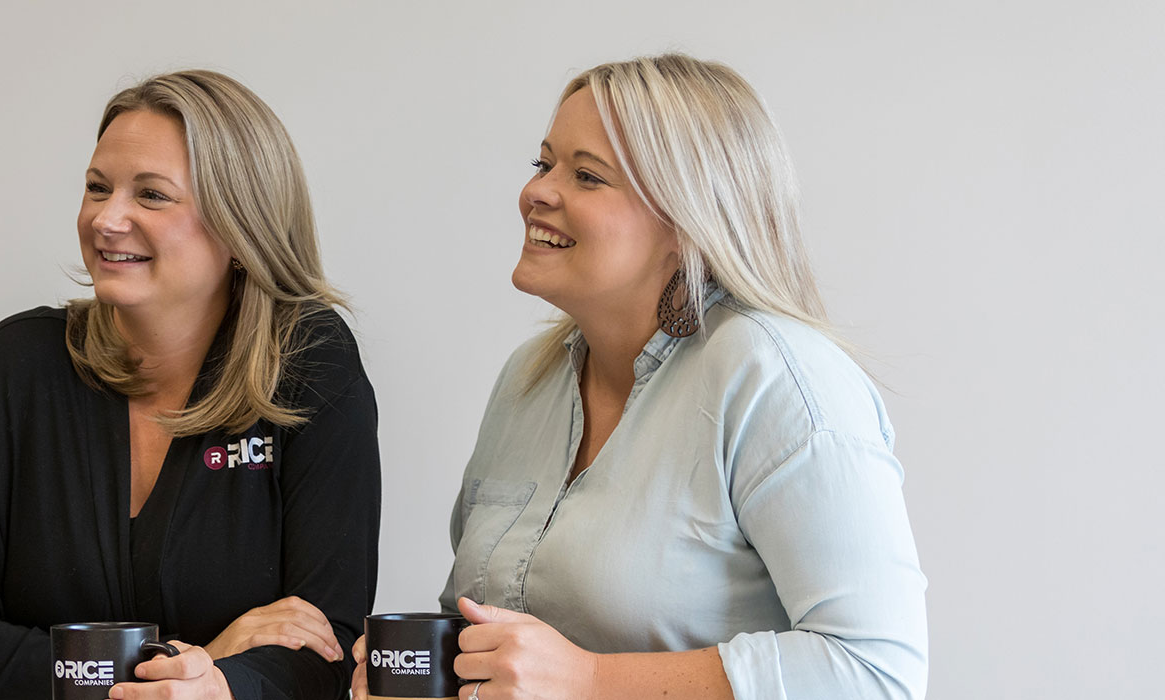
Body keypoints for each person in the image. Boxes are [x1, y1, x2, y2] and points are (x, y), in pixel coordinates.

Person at [352, 54, 927, 700]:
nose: (536, 191)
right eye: (544, 164)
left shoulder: (779, 381)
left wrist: (592, 680)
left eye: (587, 176)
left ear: (686, 220)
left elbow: (877, 672)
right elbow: (499, 645)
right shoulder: (526, 383)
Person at [0, 69, 381, 700]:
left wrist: (189, 683)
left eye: (152, 195)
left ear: (241, 226)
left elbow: (325, 646)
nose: (107, 219)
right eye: (97, 187)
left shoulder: (306, 360)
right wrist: (195, 666)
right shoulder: (17, 363)